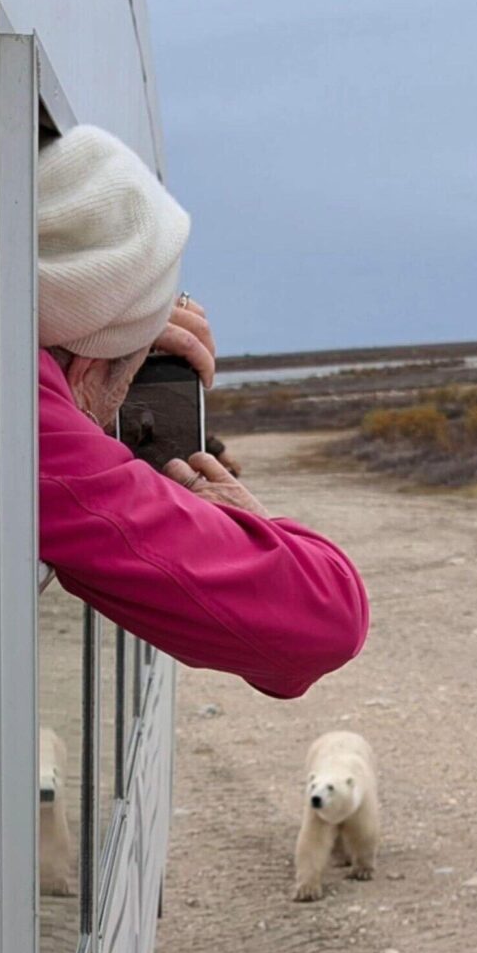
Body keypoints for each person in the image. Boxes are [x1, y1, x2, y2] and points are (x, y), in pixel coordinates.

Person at [37, 126, 368, 699]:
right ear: (86, 372)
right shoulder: (27, 428)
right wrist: (245, 521)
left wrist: (115, 322)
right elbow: (325, 621)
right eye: (125, 378)